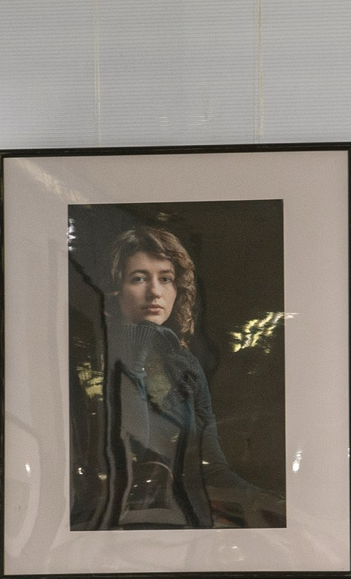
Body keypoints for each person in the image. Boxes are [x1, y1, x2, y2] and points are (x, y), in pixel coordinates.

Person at [81, 226, 282, 532]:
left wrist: (267, 500)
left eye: (165, 279)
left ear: (178, 289)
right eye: (139, 278)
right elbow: (135, 449)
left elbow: (212, 468)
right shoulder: (93, 361)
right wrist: (139, 339)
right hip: (114, 525)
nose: (155, 292)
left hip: (187, 522)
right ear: (115, 290)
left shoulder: (185, 365)